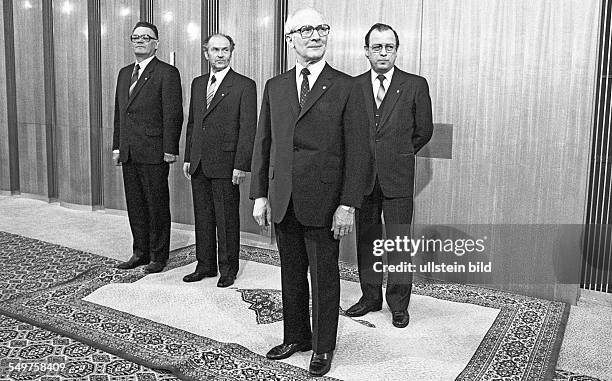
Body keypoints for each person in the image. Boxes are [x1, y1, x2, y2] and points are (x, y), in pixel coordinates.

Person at [249, 7, 369, 377]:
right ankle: (297, 336)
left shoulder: (347, 86)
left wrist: (348, 204)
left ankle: (322, 347)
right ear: (290, 39)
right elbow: (263, 143)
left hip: (326, 202)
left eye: (321, 28)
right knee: (290, 273)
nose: (315, 35)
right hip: (283, 198)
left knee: (324, 276)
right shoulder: (276, 86)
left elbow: (359, 152)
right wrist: (260, 195)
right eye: (306, 29)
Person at [345, 23, 433, 328]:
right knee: (367, 241)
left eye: (389, 47)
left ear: (396, 50)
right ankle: (370, 297)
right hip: (362, 179)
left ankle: (398, 304)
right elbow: (349, 133)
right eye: (377, 47)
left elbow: (424, 131)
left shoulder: (415, 84)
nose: (383, 53)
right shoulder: (352, 87)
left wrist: (398, 154)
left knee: (398, 243)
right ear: (366, 50)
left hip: (397, 179)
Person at [182, 34, 257, 288]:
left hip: (227, 164)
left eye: (225, 50)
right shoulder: (197, 83)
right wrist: (188, 157)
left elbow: (248, 129)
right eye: (215, 50)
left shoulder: (244, 85)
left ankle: (228, 269)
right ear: (207, 54)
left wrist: (241, 164)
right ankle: (204, 265)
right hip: (199, 162)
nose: (220, 54)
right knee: (202, 217)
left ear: (232, 52)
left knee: (226, 219)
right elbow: (193, 122)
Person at [112, 21, 183, 273]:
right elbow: (120, 113)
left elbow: (173, 114)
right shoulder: (123, 73)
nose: (140, 40)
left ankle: (158, 256)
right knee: (136, 205)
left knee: (156, 205)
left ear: (156, 43)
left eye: (146, 37)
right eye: (136, 37)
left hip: (155, 151)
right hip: (129, 151)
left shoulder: (167, 73)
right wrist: (117, 146)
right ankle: (139, 252)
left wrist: (170, 148)